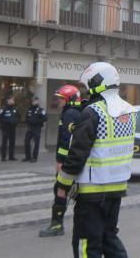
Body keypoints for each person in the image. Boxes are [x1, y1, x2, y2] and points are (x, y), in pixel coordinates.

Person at [57, 62, 136, 258]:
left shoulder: (93, 112)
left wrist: (62, 184)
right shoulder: (129, 111)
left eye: (87, 86)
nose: (86, 90)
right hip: (116, 190)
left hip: (91, 192)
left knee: (86, 244)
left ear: (96, 83)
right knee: (109, 239)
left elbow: (77, 154)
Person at [39, 85, 84, 238]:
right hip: (75, 159)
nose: (58, 101)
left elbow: (66, 140)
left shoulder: (69, 114)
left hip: (67, 161)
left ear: (70, 99)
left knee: (60, 189)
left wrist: (60, 161)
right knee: (72, 191)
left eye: (61, 98)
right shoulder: (76, 112)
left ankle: (57, 225)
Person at [23, 97, 47, 163]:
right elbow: (26, 118)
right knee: (26, 142)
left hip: (37, 128)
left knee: (36, 143)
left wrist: (36, 122)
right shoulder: (29, 110)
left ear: (38, 102)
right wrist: (29, 121)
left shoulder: (41, 110)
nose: (34, 102)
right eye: (33, 101)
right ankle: (28, 157)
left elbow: (45, 118)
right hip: (30, 128)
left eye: (35, 101)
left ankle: (34, 157)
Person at [0, 96, 19, 162]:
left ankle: (11, 156)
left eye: (13, 100)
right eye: (12, 100)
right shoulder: (3, 109)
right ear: (8, 100)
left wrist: (16, 122)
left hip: (13, 128)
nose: (13, 101)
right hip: (5, 128)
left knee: (12, 142)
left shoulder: (14, 109)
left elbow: (18, 116)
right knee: (4, 143)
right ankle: (3, 157)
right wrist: (6, 123)